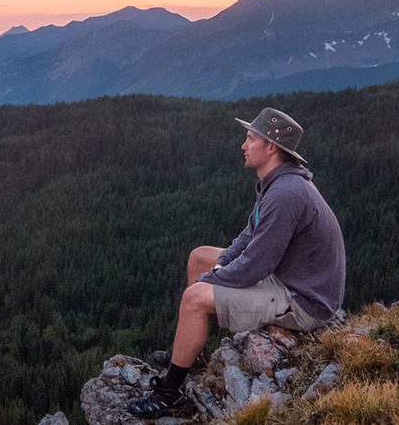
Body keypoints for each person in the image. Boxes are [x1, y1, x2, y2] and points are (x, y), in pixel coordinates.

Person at [126, 107, 347, 419]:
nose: (243, 145)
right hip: (290, 278)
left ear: (271, 147)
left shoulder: (286, 193)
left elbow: (256, 265)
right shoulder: (275, 183)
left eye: (250, 138)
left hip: (304, 301)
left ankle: (169, 392)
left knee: (194, 298)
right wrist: (218, 267)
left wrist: (214, 280)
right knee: (199, 257)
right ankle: (194, 353)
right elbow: (247, 238)